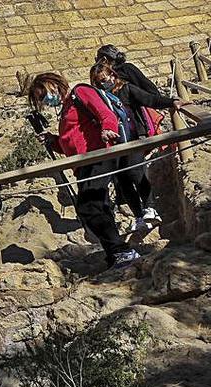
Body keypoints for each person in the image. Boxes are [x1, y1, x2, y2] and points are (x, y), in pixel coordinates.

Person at [29, 72, 140, 268]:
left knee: (88, 206)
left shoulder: (80, 93)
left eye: (43, 94)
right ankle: (115, 253)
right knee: (99, 206)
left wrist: (108, 128)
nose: (45, 100)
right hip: (83, 164)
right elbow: (70, 144)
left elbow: (104, 112)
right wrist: (53, 140)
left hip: (97, 156)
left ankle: (122, 251)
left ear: (53, 85)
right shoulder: (65, 110)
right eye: (40, 99)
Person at [89, 62, 183, 233]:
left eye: (108, 77)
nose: (107, 81)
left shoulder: (127, 89)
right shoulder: (100, 99)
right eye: (101, 81)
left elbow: (150, 99)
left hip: (134, 138)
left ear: (113, 74)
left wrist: (172, 101)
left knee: (136, 172)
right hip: (116, 143)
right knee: (122, 180)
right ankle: (139, 216)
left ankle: (150, 208)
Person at [95, 44, 161, 96]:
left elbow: (147, 87)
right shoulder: (126, 68)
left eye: (97, 60)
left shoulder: (125, 69)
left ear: (104, 59)